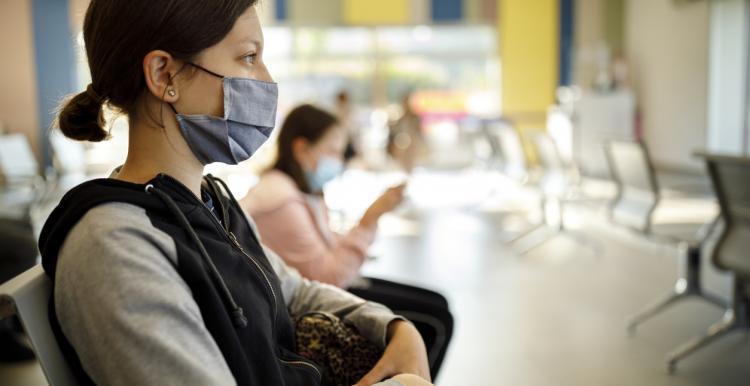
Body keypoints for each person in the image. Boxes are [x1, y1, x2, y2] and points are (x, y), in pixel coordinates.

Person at [39, 1, 432, 386]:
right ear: (164, 75)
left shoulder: (210, 202)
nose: (265, 79)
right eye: (248, 57)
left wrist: (395, 327)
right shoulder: (115, 245)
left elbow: (291, 290)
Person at [241, 104, 453, 379]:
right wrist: (371, 217)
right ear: (302, 148)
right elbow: (329, 278)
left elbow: (326, 247)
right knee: (435, 321)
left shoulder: (302, 190)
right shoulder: (280, 200)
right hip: (307, 303)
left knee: (438, 302)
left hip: (322, 286)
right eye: (332, 151)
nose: (339, 160)